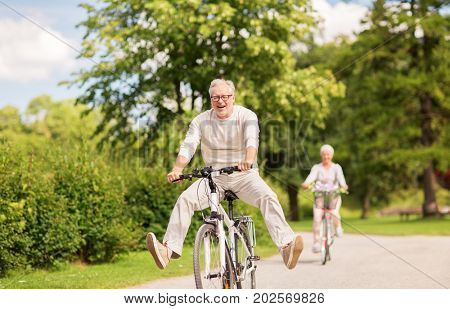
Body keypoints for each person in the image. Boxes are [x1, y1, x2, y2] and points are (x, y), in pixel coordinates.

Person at [146, 79, 304, 270]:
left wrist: (248, 159)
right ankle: (167, 251)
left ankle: (286, 247)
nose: (220, 101)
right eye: (215, 98)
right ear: (210, 99)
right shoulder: (201, 120)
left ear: (233, 98)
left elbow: (252, 140)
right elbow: (188, 146)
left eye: (224, 97)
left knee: (268, 197)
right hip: (214, 178)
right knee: (185, 200)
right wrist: (178, 169)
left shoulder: (246, 115)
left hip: (244, 175)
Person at [301, 144, 348, 253]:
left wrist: (343, 186)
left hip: (333, 196)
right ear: (321, 156)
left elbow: (342, 180)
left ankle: (338, 227)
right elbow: (310, 178)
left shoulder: (336, 167)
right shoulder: (317, 168)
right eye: (324, 154)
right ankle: (317, 243)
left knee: (334, 212)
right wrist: (306, 183)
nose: (326, 157)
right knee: (317, 218)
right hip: (320, 196)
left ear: (331, 155)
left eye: (328, 154)